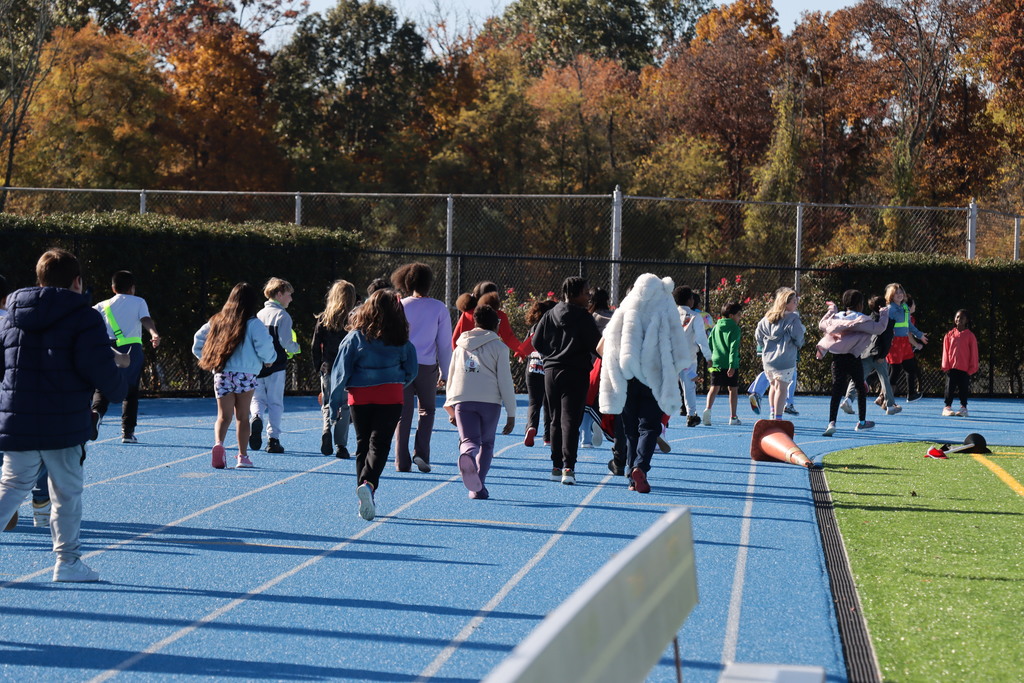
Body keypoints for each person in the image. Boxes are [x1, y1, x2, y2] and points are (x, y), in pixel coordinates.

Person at [0, 248, 128, 581]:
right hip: (65, 419)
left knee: (11, 486)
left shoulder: (11, 314)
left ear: (39, 278)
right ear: (77, 281)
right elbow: (98, 365)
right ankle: (67, 562)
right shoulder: (84, 317)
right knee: (66, 492)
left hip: (19, 417)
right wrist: (117, 392)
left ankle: (69, 563)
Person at [328, 288, 418, 521]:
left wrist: (335, 401)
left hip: (360, 396)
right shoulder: (401, 340)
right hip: (390, 395)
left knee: (362, 445)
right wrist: (397, 382)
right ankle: (368, 485)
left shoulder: (355, 337)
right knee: (380, 446)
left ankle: (364, 493)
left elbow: (340, 372)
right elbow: (412, 371)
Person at [599, 274, 691, 493]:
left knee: (630, 430)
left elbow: (602, 346)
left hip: (627, 375)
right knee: (649, 427)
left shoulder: (624, 310)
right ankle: (641, 467)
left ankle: (632, 478)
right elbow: (679, 348)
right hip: (653, 377)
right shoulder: (665, 310)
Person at [193, 283, 277, 469]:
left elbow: (197, 341)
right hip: (246, 374)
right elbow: (264, 345)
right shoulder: (254, 323)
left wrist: (209, 358)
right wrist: (269, 359)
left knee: (223, 416)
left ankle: (219, 444)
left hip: (222, 373)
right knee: (242, 416)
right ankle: (242, 456)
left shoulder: (217, 320)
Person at [532, 276, 601, 485]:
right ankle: (568, 467)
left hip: (551, 372)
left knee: (554, 418)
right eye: (586, 292)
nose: (589, 296)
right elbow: (596, 346)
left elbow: (536, 341)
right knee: (570, 420)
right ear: (575, 294)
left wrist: (550, 357)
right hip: (576, 372)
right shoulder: (584, 317)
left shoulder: (550, 314)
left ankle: (556, 466)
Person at [445, 304, 516, 499]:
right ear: (496, 325)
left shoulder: (460, 346)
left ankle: (467, 453)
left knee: (469, 441)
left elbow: (452, 375)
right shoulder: (500, 347)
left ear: (475, 322)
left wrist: (449, 405)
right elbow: (505, 380)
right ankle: (477, 487)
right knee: (487, 444)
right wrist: (511, 412)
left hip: (462, 399)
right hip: (490, 401)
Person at [390, 263, 452, 473]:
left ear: (407, 282)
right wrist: (446, 371)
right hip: (427, 366)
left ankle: (401, 460)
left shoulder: (400, 305)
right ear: (429, 283)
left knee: (403, 414)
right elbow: (444, 344)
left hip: (402, 366)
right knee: (427, 410)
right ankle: (421, 453)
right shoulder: (439, 308)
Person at [91, 270, 161, 444]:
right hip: (131, 349)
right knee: (130, 392)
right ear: (132, 288)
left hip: (107, 348)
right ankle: (127, 432)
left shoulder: (101, 305)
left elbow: (89, 323)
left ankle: (96, 414)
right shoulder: (139, 302)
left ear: (113, 288)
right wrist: (154, 333)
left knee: (102, 387)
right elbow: (145, 319)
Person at [816, 290, 889, 436]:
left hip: (837, 358)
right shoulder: (862, 319)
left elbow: (822, 324)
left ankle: (832, 423)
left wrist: (831, 310)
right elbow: (880, 328)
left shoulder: (836, 317)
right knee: (860, 387)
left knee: (837, 390)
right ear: (860, 304)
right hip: (853, 357)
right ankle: (862, 422)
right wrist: (884, 313)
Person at [250, 277, 300, 454]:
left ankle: (255, 417)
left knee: (257, 398)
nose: (291, 299)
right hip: (276, 365)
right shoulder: (283, 316)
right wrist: (296, 347)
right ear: (279, 294)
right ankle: (273, 439)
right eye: (288, 295)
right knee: (275, 403)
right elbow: (286, 341)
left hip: (257, 365)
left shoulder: (259, 315)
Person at [311, 280, 356, 458]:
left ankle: (326, 428)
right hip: (347, 368)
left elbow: (315, 344)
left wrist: (318, 365)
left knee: (328, 402)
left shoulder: (324, 317)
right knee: (345, 406)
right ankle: (341, 445)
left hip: (328, 367)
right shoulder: (353, 318)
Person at [838, 295, 900, 416]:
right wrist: (883, 355)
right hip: (878, 355)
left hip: (865, 353)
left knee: (858, 377)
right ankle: (890, 405)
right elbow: (886, 340)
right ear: (882, 307)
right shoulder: (887, 321)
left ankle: (848, 400)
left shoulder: (867, 319)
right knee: (884, 379)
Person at [754, 288, 805, 420]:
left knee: (773, 386)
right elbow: (798, 337)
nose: (796, 304)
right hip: (785, 359)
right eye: (794, 301)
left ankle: (772, 413)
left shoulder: (767, 318)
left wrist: (764, 344)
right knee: (782, 388)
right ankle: (778, 417)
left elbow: (758, 335)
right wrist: (799, 345)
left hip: (768, 360)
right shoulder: (793, 319)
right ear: (785, 303)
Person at [519, 298, 557, 447]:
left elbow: (524, 349)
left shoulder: (534, 328)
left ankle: (531, 427)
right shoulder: (554, 328)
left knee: (534, 403)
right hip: (548, 369)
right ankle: (548, 437)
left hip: (532, 369)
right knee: (549, 403)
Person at [673, 285, 711, 427]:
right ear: (690, 300)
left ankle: (662, 418)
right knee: (689, 388)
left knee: (667, 387)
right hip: (688, 360)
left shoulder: (671, 314)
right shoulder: (695, 317)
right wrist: (708, 357)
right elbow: (701, 338)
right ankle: (691, 415)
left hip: (670, 358)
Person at [581, 287, 614, 447]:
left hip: (592, 365)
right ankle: (601, 422)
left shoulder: (590, 318)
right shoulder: (615, 317)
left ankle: (585, 437)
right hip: (612, 366)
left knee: (586, 400)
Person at [884, 284, 927, 402]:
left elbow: (909, 325)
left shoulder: (905, 308)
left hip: (904, 342)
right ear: (891, 296)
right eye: (896, 293)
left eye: (900, 292)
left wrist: (920, 335)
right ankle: (886, 398)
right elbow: (884, 326)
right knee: (895, 370)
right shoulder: (889, 309)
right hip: (895, 342)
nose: (899, 295)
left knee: (910, 367)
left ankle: (911, 394)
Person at [703, 302, 744, 426]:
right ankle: (733, 417)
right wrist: (732, 364)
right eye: (738, 315)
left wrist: (710, 358)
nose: (740, 317)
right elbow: (733, 348)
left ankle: (708, 410)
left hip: (716, 361)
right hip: (730, 363)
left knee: (714, 387)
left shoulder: (716, 326)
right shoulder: (735, 329)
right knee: (733, 390)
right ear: (731, 316)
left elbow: (709, 342)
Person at [451, 281, 520, 352]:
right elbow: (508, 338)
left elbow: (455, 338)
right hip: (488, 356)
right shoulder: (499, 315)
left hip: (467, 355)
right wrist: (521, 351)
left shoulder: (466, 314)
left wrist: (458, 355)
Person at [941, 309, 978, 417]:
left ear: (966, 320)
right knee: (949, 388)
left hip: (965, 369)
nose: (959, 319)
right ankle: (947, 407)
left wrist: (972, 368)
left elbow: (974, 353)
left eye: (962, 318)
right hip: (951, 368)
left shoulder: (970, 336)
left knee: (963, 388)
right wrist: (945, 365)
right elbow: (945, 351)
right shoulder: (949, 335)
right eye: (957, 317)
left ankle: (963, 408)